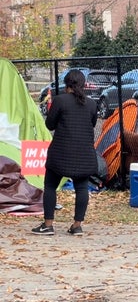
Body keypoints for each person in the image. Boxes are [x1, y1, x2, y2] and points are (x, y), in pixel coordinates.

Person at [31, 69, 98, 236]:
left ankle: (48, 224)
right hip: (84, 153)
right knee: (82, 188)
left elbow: (50, 125)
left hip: (61, 152)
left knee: (51, 186)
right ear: (83, 84)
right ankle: (77, 225)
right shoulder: (91, 104)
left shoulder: (60, 100)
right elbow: (93, 123)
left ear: (66, 84)